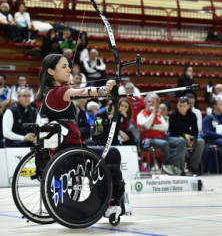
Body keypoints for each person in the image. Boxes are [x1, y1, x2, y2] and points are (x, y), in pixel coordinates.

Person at [36, 53, 132, 216]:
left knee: (104, 152)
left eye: (69, 66)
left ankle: (108, 198)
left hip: (65, 150)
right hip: (72, 153)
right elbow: (83, 91)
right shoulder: (59, 92)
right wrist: (105, 89)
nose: (69, 70)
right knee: (113, 153)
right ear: (51, 71)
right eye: (64, 67)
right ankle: (112, 203)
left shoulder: (46, 92)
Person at [137, 93, 185, 175]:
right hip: (148, 139)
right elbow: (145, 125)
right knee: (165, 143)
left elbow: (165, 127)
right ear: (145, 103)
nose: (150, 104)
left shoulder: (159, 115)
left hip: (162, 137)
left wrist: (151, 126)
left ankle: (170, 165)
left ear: (157, 104)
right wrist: (152, 114)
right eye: (148, 102)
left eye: (153, 102)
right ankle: (166, 165)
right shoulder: (141, 114)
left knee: (181, 141)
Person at [169, 96, 205, 175]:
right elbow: (172, 132)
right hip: (176, 137)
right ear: (177, 105)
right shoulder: (173, 115)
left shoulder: (192, 115)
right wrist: (184, 136)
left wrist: (193, 138)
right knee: (182, 141)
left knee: (201, 142)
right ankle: (181, 167)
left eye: (184, 106)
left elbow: (195, 130)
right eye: (179, 106)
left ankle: (193, 166)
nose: (181, 108)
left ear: (188, 106)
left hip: (188, 136)